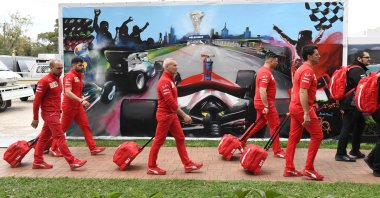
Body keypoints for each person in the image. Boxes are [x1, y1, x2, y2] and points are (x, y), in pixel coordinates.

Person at [147, 58, 203, 175]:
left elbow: (173, 103)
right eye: (174, 65)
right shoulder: (164, 82)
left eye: (176, 65)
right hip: (165, 116)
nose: (177, 67)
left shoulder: (170, 80)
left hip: (171, 115)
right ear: (167, 67)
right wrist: (184, 115)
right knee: (159, 141)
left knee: (180, 138)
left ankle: (188, 165)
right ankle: (151, 166)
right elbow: (170, 103)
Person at [31, 59, 87, 170]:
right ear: (51, 68)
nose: (61, 70)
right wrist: (35, 118)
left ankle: (37, 161)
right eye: (58, 68)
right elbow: (36, 101)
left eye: (62, 68)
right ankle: (72, 162)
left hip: (55, 113)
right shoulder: (44, 81)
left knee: (43, 138)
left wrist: (59, 110)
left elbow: (56, 98)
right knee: (60, 137)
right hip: (49, 114)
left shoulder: (58, 80)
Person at [49, 57, 105, 157]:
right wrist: (81, 100)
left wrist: (82, 97)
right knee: (62, 129)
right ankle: (53, 148)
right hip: (69, 107)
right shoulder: (69, 76)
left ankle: (93, 148)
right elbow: (67, 92)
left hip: (78, 107)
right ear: (73, 65)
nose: (82, 66)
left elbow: (76, 91)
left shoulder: (79, 76)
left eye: (82, 64)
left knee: (86, 126)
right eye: (79, 65)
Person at [284, 45, 324, 181]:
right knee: (318, 135)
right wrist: (306, 112)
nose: (319, 56)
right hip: (302, 108)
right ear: (309, 56)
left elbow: (297, 90)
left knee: (293, 138)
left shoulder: (302, 69)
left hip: (296, 107)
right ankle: (308, 168)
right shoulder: (307, 71)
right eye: (317, 54)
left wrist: (293, 109)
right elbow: (302, 91)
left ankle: (289, 168)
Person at [240, 52, 286, 158]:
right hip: (265, 104)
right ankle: (277, 150)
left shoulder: (266, 71)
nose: (277, 63)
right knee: (275, 125)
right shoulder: (265, 73)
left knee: (259, 124)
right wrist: (266, 106)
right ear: (270, 61)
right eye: (276, 61)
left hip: (262, 103)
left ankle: (241, 141)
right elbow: (262, 90)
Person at [335, 51, 371, 162]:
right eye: (367, 57)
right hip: (351, 104)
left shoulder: (353, 68)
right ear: (360, 59)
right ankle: (340, 154)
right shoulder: (358, 70)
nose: (369, 59)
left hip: (351, 103)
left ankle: (355, 150)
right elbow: (365, 86)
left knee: (360, 124)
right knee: (347, 127)